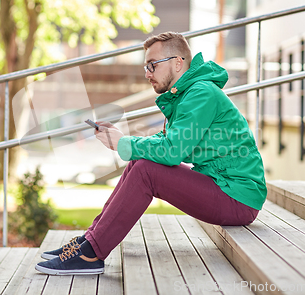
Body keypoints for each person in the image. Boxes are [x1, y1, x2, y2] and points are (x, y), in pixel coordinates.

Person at [35, 31, 267, 275]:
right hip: (224, 187)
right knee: (140, 162)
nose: (147, 73)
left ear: (178, 62)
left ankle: (91, 253)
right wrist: (125, 141)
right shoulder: (189, 93)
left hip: (237, 197)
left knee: (147, 171)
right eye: (146, 66)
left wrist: (124, 143)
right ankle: (89, 241)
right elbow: (166, 141)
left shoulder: (201, 93)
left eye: (152, 65)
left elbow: (173, 151)